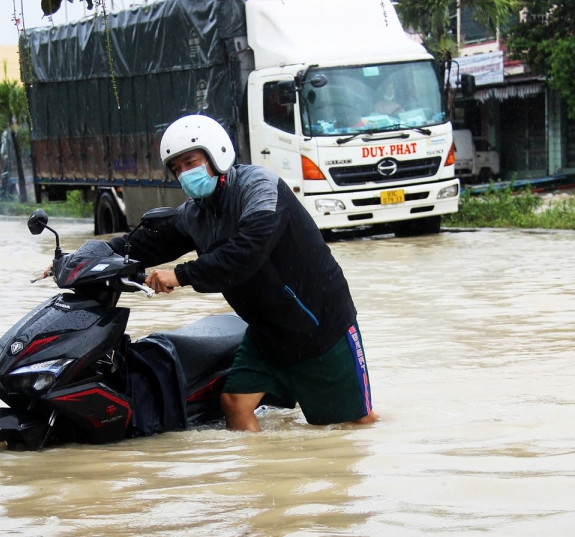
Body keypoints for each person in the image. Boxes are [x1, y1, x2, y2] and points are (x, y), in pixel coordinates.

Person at [108, 114, 377, 432]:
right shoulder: (196, 213)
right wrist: (84, 258)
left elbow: (247, 252)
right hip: (267, 333)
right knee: (235, 403)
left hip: (320, 327)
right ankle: (263, 480)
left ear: (216, 154)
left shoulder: (260, 189)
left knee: (355, 427)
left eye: (190, 162)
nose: (184, 174)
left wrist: (181, 275)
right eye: (177, 169)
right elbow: (143, 245)